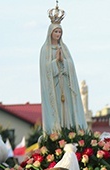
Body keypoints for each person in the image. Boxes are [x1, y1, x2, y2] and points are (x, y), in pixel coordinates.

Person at [40, 5, 87, 133]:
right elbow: (45, 70)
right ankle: (57, 131)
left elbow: (71, 65)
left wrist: (64, 62)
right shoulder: (45, 50)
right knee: (57, 109)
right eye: (56, 31)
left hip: (65, 84)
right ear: (50, 33)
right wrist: (56, 62)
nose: (58, 34)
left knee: (67, 107)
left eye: (59, 32)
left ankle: (69, 129)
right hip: (54, 86)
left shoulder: (64, 48)